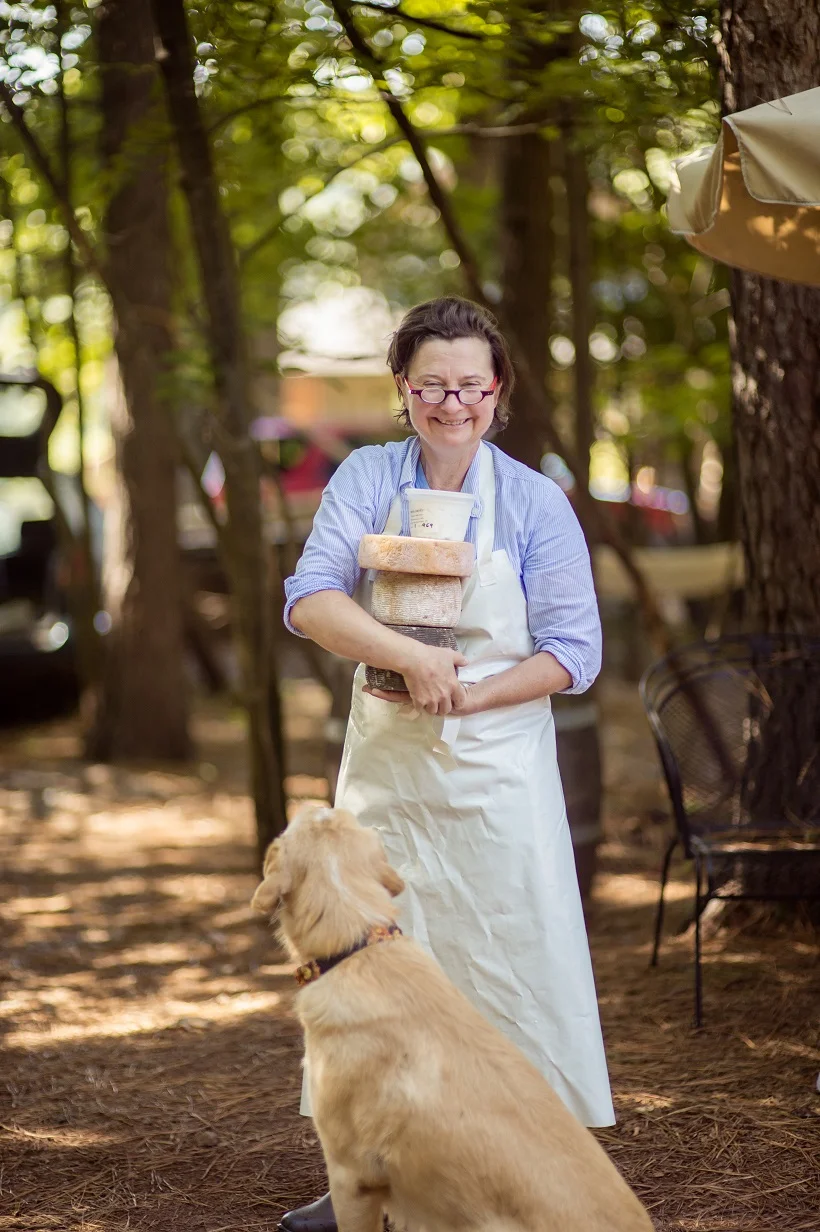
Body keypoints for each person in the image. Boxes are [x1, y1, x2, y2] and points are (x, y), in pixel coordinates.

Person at [280, 296, 614, 1232]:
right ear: (404, 390)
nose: (452, 402)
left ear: (497, 392)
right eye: (432, 384)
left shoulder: (537, 501)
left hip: (499, 770)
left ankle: (524, 1175)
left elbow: (573, 652)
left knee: (509, 957)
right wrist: (406, 656)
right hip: (388, 769)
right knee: (380, 966)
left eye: (471, 384)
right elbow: (310, 598)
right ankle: (368, 1176)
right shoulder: (367, 477)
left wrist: (466, 692)